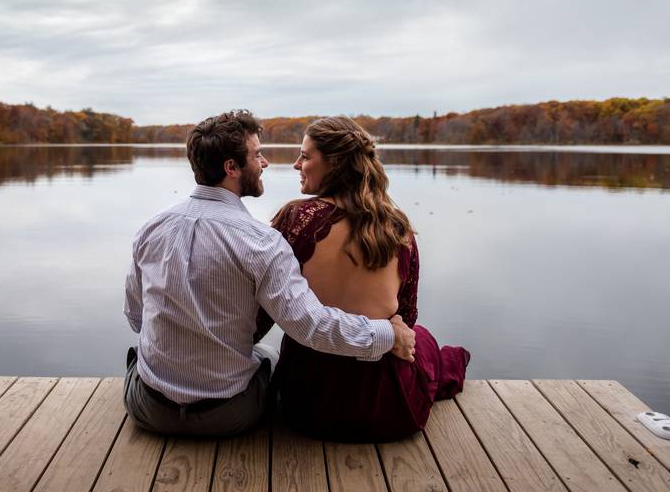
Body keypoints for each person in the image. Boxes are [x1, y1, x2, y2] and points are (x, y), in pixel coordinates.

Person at [123, 110, 417, 437]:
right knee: (267, 358)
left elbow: (136, 317)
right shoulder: (261, 243)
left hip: (149, 409)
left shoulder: (151, 229)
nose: (265, 163)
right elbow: (311, 326)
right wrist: (388, 335)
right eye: (257, 155)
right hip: (228, 415)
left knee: (140, 355)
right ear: (231, 168)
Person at [259, 116, 470, 442]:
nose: (296, 164)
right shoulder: (398, 228)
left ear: (335, 163)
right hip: (387, 408)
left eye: (305, 156)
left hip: (307, 403)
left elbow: (264, 300)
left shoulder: (295, 219)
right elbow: (407, 318)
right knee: (424, 340)